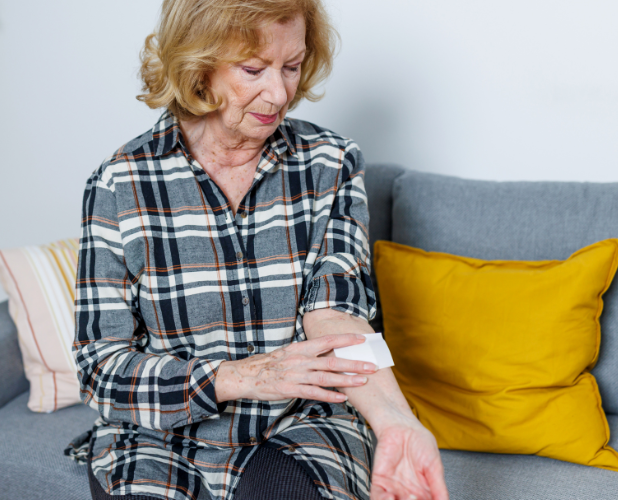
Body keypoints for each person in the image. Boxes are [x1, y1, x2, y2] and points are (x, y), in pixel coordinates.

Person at [64, 1, 448, 499]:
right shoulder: (120, 185)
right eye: (253, 69)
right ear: (197, 65)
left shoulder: (331, 164)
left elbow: (338, 316)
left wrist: (397, 422)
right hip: (159, 433)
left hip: (300, 425)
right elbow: (101, 369)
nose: (280, 92)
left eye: (292, 67)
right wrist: (242, 376)